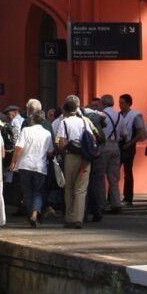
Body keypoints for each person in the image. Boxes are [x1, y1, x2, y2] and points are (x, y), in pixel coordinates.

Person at [51, 95, 93, 228]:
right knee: (81, 189)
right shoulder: (85, 122)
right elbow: (92, 138)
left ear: (66, 109)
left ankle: (69, 217)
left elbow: (61, 144)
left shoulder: (64, 122)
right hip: (85, 157)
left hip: (71, 157)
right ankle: (78, 218)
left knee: (69, 187)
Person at [11, 111, 55, 227]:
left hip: (25, 165)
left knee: (27, 192)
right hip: (40, 166)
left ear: (32, 120)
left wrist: (13, 162)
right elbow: (50, 152)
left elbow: (19, 147)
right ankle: (35, 214)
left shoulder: (26, 130)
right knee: (38, 192)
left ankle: (31, 214)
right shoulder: (47, 133)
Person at [83, 97, 113, 221]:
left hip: (88, 155)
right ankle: (97, 210)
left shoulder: (86, 118)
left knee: (86, 185)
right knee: (95, 184)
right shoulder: (97, 119)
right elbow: (101, 137)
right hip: (95, 154)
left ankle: (87, 212)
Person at [96, 94, 125, 216]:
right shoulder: (120, 116)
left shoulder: (101, 115)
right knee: (114, 178)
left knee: (101, 176)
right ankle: (116, 204)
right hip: (116, 146)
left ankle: (101, 204)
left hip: (104, 145)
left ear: (102, 103)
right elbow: (125, 134)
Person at [117, 94, 145, 206]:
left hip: (128, 146)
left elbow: (139, 133)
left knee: (128, 172)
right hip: (119, 145)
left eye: (122, 103)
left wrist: (129, 144)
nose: (120, 105)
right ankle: (112, 197)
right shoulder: (119, 115)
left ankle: (128, 197)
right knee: (114, 172)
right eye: (119, 102)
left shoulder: (135, 116)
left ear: (128, 103)